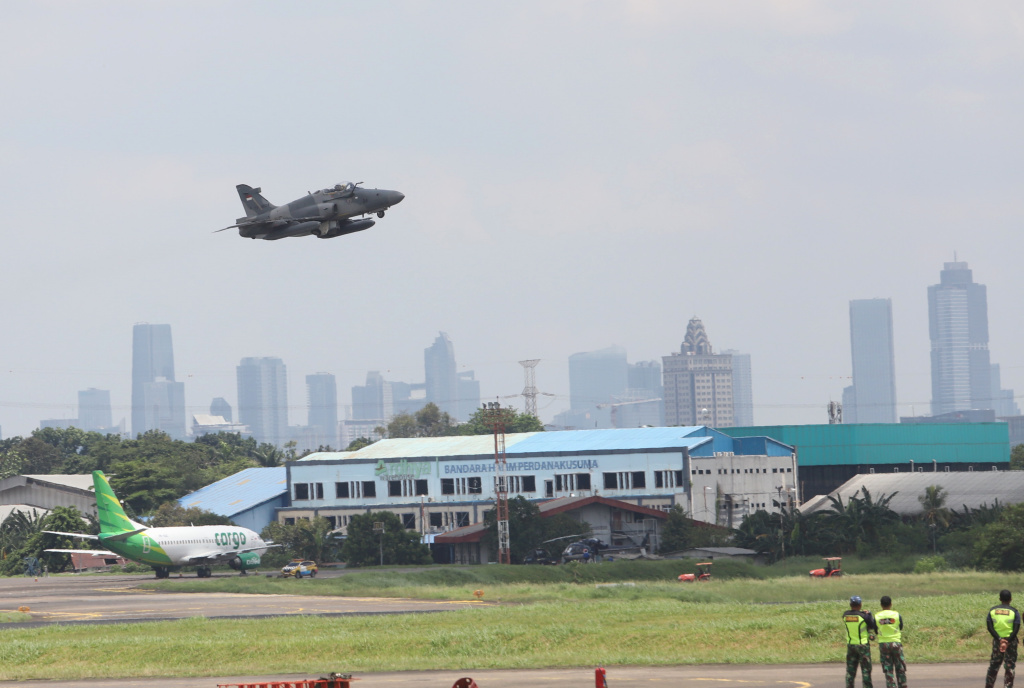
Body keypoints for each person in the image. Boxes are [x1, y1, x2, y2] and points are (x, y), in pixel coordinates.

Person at [987, 589, 1021, 688]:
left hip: (997, 642)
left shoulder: (992, 611)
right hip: (1011, 642)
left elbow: (990, 627)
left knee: (994, 665)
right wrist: (1007, 641)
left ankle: (989, 686)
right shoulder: (1014, 612)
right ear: (1010, 599)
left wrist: (999, 639)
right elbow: (1016, 628)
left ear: (1000, 599)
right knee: (1009, 665)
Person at [843, 595, 878, 688]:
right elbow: (872, 625)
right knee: (866, 671)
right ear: (860, 604)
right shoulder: (863, 616)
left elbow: (852, 614)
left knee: (850, 671)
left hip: (851, 645)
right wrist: (869, 614)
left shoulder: (845, 615)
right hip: (863, 645)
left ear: (850, 604)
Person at [875, 595, 906, 688]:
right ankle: (902, 685)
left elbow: (875, 629)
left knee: (888, 667)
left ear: (881, 605)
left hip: (883, 644)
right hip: (896, 643)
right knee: (899, 666)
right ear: (891, 604)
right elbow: (901, 627)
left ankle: (891, 685)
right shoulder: (896, 615)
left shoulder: (877, 616)